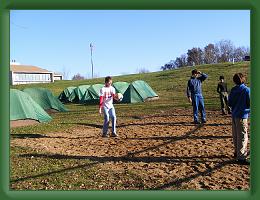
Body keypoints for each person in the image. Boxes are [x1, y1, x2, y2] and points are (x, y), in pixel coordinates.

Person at [228, 73, 250, 165]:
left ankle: (237, 152)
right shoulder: (246, 90)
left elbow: (229, 103)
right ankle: (241, 157)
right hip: (242, 115)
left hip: (234, 115)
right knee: (242, 136)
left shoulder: (233, 90)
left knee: (236, 135)